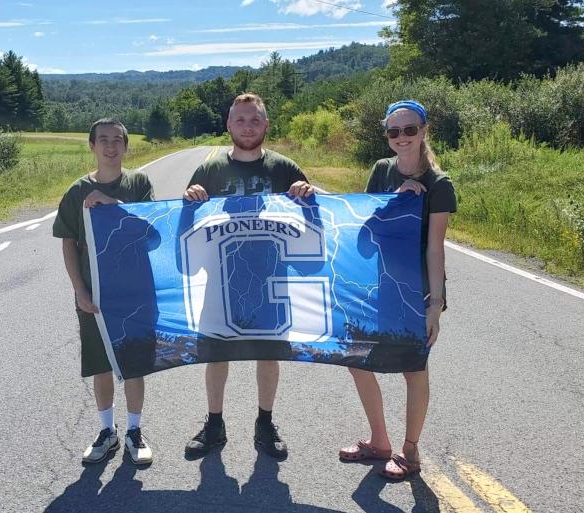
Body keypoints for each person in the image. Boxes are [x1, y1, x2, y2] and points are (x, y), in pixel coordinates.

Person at [182, 93, 315, 460]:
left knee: (268, 354)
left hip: (272, 278)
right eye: (240, 120)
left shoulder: (285, 168)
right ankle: (214, 423)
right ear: (228, 124)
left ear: (266, 124)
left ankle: (265, 422)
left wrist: (310, 196)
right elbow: (186, 225)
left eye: (255, 119)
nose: (247, 126)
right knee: (215, 352)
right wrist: (189, 200)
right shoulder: (209, 172)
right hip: (220, 277)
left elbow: (313, 223)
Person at [338, 100, 457, 479]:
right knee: (356, 359)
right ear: (387, 135)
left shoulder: (440, 184)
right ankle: (379, 441)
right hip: (379, 284)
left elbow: (435, 247)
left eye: (409, 130)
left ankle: (410, 451)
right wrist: (394, 201)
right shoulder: (381, 171)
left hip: (415, 291)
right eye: (394, 131)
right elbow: (366, 224)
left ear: (424, 131)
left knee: (412, 369)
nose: (402, 137)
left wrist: (434, 306)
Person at [53, 118, 155, 465]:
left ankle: (134, 431)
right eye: (103, 140)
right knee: (101, 365)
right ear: (92, 146)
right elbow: (69, 242)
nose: (111, 147)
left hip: (135, 290)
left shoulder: (139, 183)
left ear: (126, 146)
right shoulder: (77, 191)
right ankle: (106, 431)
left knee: (134, 363)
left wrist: (113, 205)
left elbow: (150, 229)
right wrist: (79, 289)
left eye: (117, 140)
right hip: (95, 295)